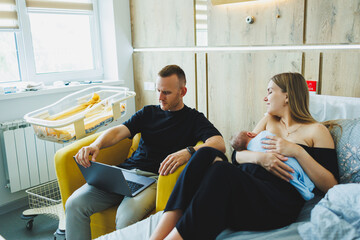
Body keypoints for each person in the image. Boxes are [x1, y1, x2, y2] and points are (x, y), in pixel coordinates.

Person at [146, 72, 339, 240]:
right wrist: (261, 159)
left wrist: (297, 151)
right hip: (246, 185)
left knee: (221, 171)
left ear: (287, 96)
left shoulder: (316, 131)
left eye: (270, 91)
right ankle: (159, 234)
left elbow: (331, 185)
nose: (266, 98)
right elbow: (237, 157)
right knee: (205, 152)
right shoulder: (268, 121)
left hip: (275, 202)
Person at [66, 64, 226, 240]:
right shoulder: (148, 113)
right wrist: (96, 145)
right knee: (74, 203)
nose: (160, 97)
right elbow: (119, 131)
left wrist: (189, 151)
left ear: (182, 91)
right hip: (124, 174)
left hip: (153, 180)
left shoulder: (194, 119)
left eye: (166, 92)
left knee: (125, 217)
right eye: (158, 90)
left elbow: (218, 143)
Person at [230, 130, 315, 200]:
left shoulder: (249, 150)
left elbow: (237, 154)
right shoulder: (263, 134)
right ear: (250, 134)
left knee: (293, 179)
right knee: (299, 171)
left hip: (281, 173)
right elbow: (236, 156)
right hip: (287, 159)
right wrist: (260, 158)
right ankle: (310, 185)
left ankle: (306, 194)